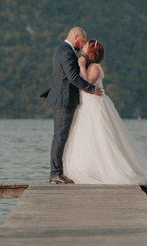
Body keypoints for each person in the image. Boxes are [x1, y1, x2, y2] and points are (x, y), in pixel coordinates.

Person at [63, 40, 147, 184]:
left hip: (94, 106)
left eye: (86, 45)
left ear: (92, 52)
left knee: (100, 137)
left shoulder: (94, 67)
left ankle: (101, 169)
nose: (83, 46)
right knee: (87, 138)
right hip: (86, 105)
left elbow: (87, 86)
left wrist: (80, 66)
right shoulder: (89, 66)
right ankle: (87, 168)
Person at [40, 27, 103, 184]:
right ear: (76, 37)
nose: (82, 45)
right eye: (82, 41)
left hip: (64, 98)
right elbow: (73, 77)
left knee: (61, 136)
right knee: (60, 137)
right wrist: (92, 89)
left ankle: (59, 172)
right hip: (63, 100)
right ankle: (55, 173)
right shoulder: (66, 52)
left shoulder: (64, 50)